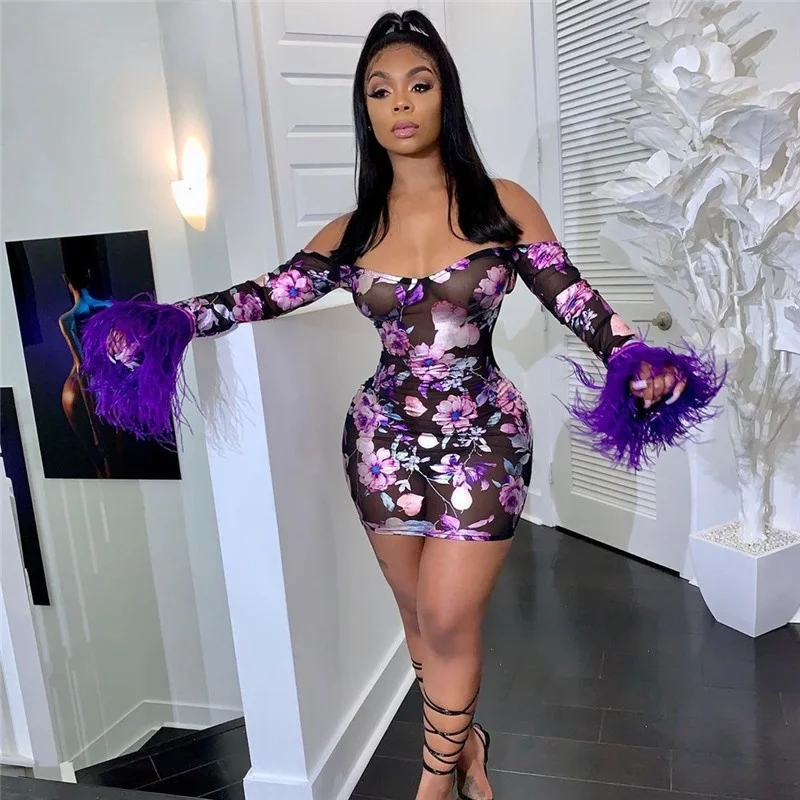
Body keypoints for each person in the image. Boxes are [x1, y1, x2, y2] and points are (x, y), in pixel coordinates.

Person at [81, 10, 722, 800]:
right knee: (419, 616)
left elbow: (576, 300)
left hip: (487, 437)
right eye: (380, 91)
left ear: (445, 95)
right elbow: (262, 295)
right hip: (381, 445)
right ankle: (466, 744)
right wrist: (167, 321)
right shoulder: (351, 234)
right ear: (366, 111)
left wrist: (632, 359)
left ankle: (432, 782)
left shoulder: (501, 207)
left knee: (450, 619)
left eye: (419, 84)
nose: (401, 103)